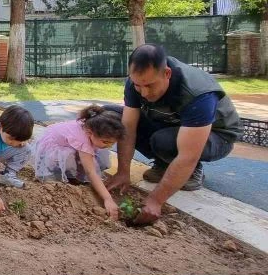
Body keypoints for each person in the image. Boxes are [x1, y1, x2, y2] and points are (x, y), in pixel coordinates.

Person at [105, 44, 242, 224]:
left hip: (217, 136)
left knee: (164, 141)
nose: (144, 93)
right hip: (171, 126)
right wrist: (123, 172)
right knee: (110, 117)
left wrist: (155, 200)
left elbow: (188, 155)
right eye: (138, 86)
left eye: (149, 85)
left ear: (167, 73)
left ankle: (192, 173)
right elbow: (128, 128)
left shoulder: (198, 93)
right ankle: (164, 164)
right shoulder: (135, 83)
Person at [33, 105, 126, 220]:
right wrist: (108, 199)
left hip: (71, 144)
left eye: (112, 143)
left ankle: (75, 175)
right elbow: (91, 171)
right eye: (106, 142)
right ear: (89, 133)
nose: (109, 146)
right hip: (52, 148)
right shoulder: (83, 138)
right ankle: (57, 176)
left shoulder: (92, 126)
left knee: (101, 158)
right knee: (71, 162)